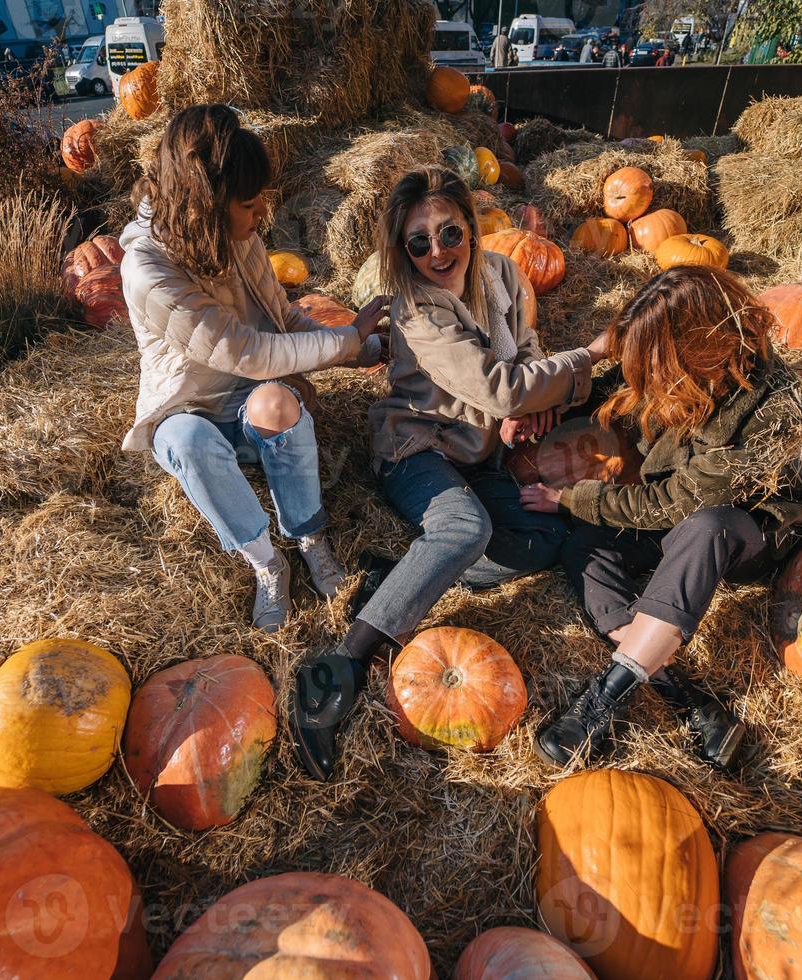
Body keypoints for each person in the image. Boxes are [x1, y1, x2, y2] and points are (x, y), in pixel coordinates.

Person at [289, 165, 611, 780]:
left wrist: (531, 409)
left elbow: (528, 353)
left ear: (471, 228)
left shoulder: (504, 275)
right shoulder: (416, 310)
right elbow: (498, 385)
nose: (437, 251)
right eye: (419, 241)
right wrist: (588, 359)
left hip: (477, 448)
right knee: (464, 528)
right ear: (402, 250)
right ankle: (342, 667)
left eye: (448, 232)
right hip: (417, 448)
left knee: (542, 535)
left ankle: (396, 578)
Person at [521, 266, 802, 770]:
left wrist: (570, 498)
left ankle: (599, 704)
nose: (643, 375)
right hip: (683, 523)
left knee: (705, 526)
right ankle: (685, 700)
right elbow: (610, 390)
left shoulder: (770, 408)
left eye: (652, 362)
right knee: (586, 545)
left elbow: (674, 504)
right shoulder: (674, 372)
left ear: (696, 348)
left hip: (753, 531)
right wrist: (544, 407)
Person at [118, 105, 387, 633]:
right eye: (249, 202)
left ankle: (310, 538)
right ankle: (267, 562)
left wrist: (361, 342)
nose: (262, 210)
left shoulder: (238, 237)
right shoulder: (147, 270)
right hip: (189, 406)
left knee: (277, 401)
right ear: (206, 206)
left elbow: (280, 319)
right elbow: (247, 351)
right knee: (189, 441)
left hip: (249, 400)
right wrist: (346, 342)